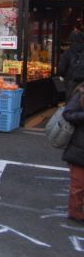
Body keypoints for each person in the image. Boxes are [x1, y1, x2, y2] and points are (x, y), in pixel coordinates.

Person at [62, 84, 84, 223]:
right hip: (80, 147)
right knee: (78, 185)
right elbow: (68, 113)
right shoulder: (81, 94)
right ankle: (76, 213)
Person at [59, 31, 84, 100]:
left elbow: (61, 69)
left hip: (71, 83)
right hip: (82, 84)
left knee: (71, 102)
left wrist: (62, 76)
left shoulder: (67, 53)